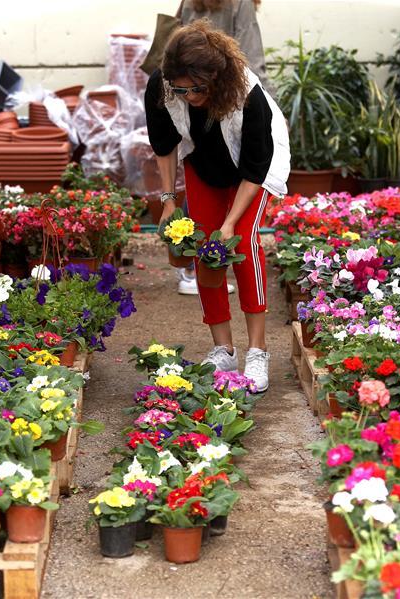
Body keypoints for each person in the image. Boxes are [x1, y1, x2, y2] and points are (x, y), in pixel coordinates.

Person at [145, 20, 290, 392]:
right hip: (205, 163)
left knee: (239, 242)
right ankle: (223, 348)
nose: (189, 96)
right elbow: (164, 145)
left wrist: (230, 222)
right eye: (182, 88)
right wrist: (167, 201)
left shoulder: (248, 96)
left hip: (252, 170)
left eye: (198, 89)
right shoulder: (163, 87)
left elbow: (255, 169)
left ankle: (258, 351)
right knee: (204, 247)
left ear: (216, 77)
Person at [175, 0, 271, 296]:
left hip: (193, 103)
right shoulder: (238, 3)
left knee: (205, 175)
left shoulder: (190, 2)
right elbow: (252, 58)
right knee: (234, 181)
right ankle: (204, 262)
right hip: (229, 104)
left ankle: (191, 264)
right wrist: (267, 106)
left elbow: (177, 48)